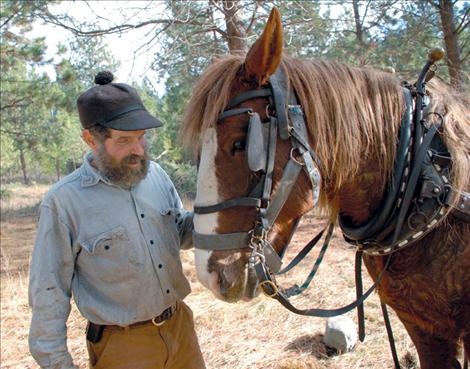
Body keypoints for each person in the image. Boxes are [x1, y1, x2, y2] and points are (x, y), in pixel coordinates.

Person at [28, 71, 206, 369]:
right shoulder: (63, 202)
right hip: (122, 347)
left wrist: (223, 214)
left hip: (181, 330)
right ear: (89, 139)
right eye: (124, 140)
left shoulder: (156, 175)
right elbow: (48, 291)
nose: (138, 150)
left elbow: (180, 232)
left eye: (141, 137)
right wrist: (57, 363)